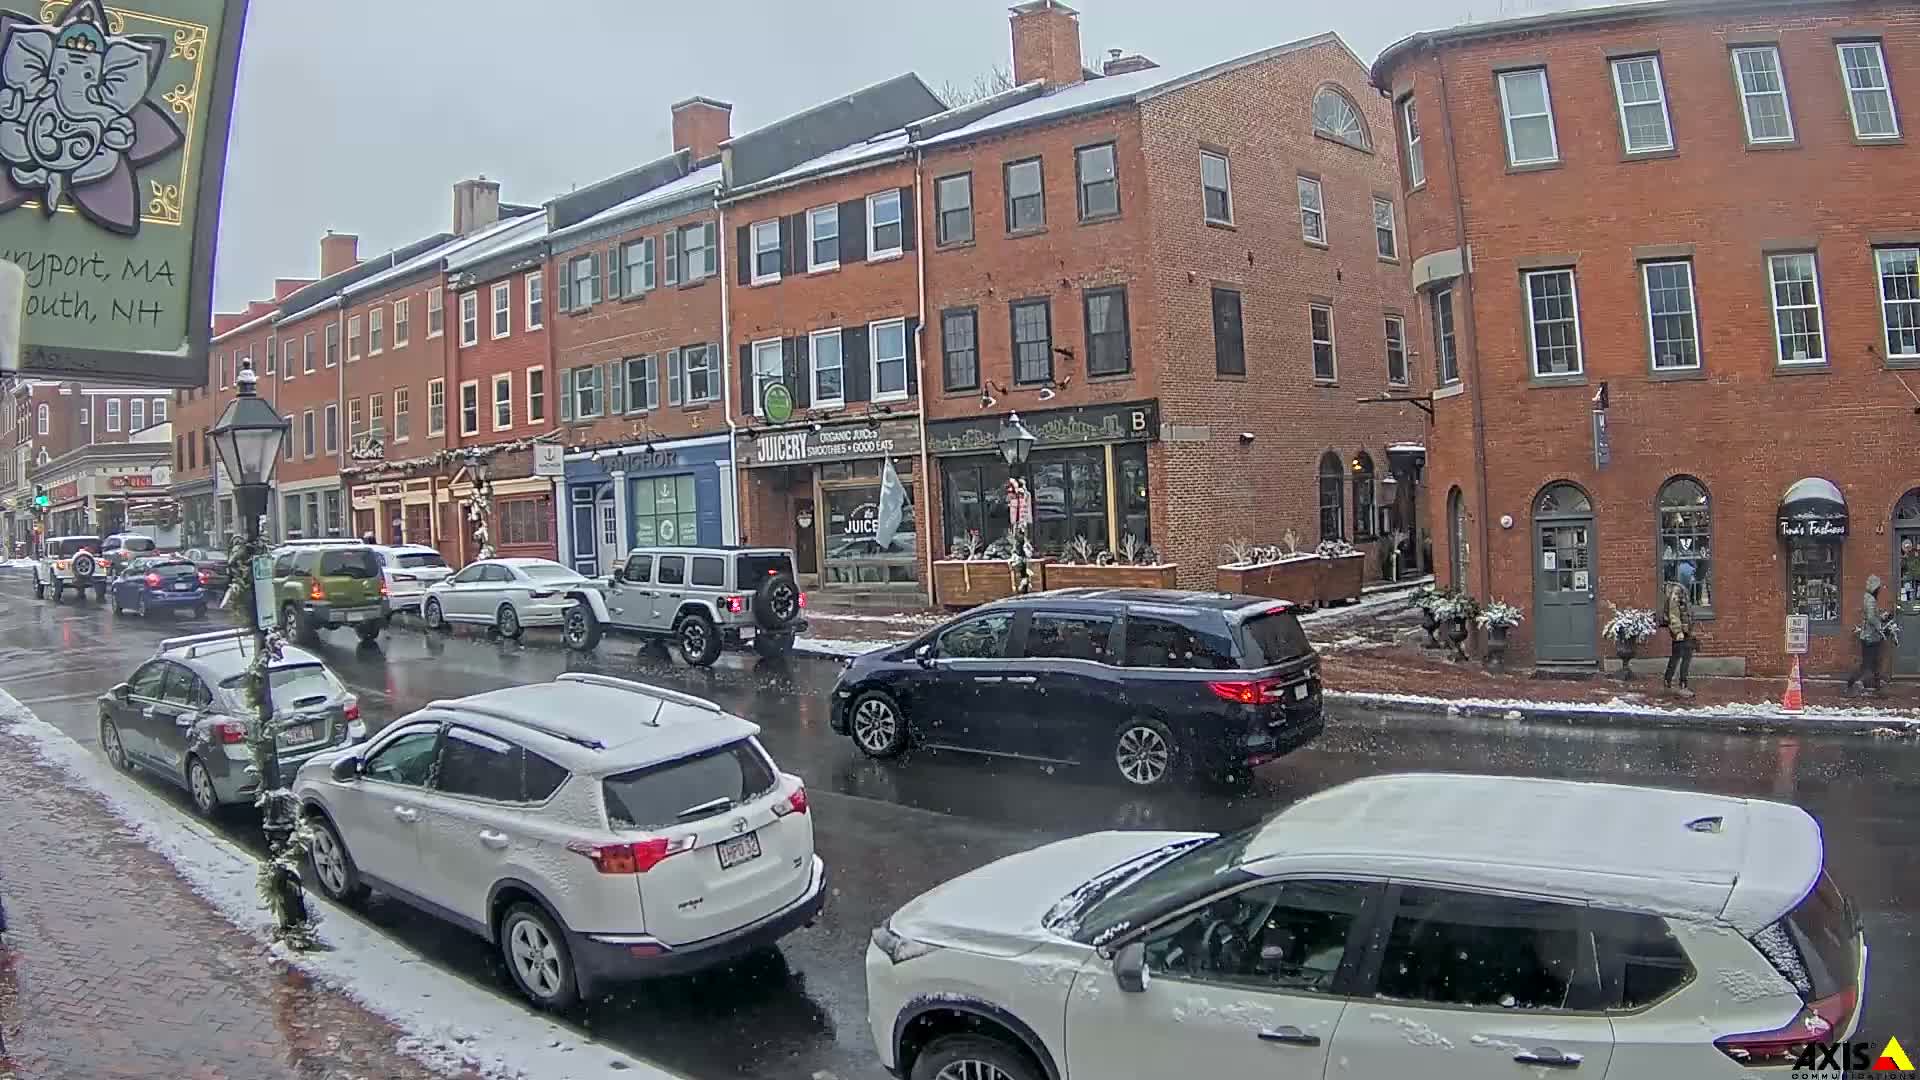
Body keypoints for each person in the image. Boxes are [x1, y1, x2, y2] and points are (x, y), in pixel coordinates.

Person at [1849, 575, 1891, 697]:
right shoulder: (1870, 600)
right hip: (1870, 637)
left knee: (1873, 662)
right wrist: (1880, 625)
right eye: (1878, 587)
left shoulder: (1868, 598)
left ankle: (1877, 685)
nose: (1879, 589)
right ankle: (1858, 683)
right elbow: (1871, 617)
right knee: (1871, 663)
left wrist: (1881, 616)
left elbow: (1871, 615)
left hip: (1869, 636)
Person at [1663, 563, 1696, 697]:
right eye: (1690, 575)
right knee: (1686, 655)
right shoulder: (1677, 591)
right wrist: (1678, 632)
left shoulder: (1682, 589)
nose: (1692, 578)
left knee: (1676, 656)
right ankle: (1683, 685)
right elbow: (1673, 613)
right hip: (1681, 631)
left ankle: (1667, 679)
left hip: (1684, 629)